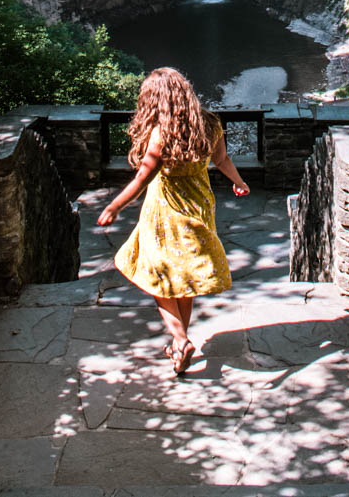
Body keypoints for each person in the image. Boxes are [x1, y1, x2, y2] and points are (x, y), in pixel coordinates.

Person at [97, 66, 250, 375]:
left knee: (159, 275)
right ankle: (180, 346)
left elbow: (141, 180)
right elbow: (221, 160)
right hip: (199, 207)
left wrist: (113, 207)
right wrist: (240, 182)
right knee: (185, 277)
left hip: (165, 213)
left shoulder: (160, 135)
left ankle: (180, 340)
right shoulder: (209, 124)